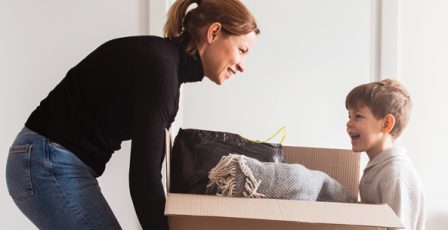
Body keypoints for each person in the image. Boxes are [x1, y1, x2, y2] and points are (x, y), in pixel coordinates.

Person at [5, 0, 259, 229]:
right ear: (214, 32)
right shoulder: (160, 71)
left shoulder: (167, 70)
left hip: (48, 160)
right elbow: (144, 179)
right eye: (242, 50)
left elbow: (155, 170)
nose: (242, 66)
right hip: (46, 161)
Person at [345, 79, 426, 230]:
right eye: (349, 116)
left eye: (358, 116)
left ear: (386, 124)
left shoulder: (394, 174)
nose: (349, 123)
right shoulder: (378, 167)